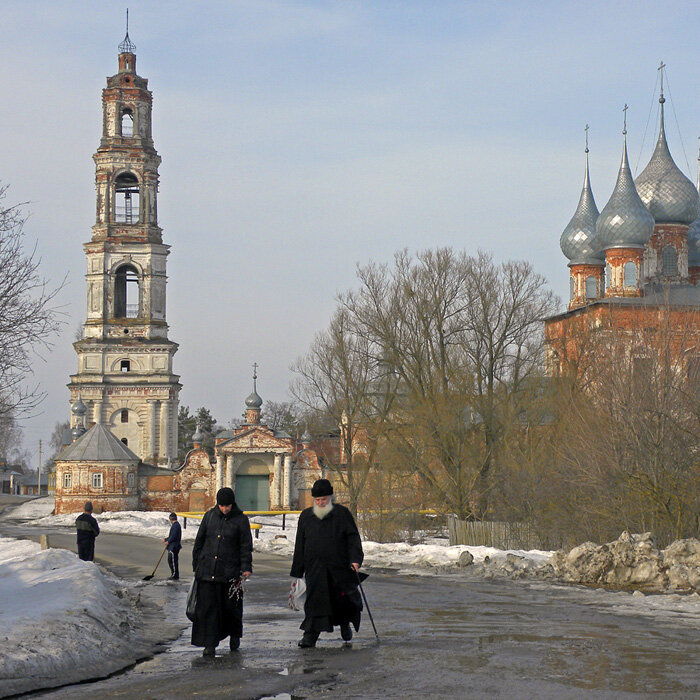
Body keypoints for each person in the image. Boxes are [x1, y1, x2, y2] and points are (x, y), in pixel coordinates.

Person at [290, 478, 364, 648]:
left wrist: (355, 559)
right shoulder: (306, 516)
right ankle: (310, 636)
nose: (321, 503)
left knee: (341, 602)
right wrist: (297, 571)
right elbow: (300, 544)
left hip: (338, 568)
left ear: (330, 498)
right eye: (317, 500)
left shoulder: (342, 514)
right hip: (314, 569)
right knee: (315, 603)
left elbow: (353, 538)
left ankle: (345, 625)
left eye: (324, 499)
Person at [191, 487, 252, 657]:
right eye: (222, 505)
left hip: (230, 574)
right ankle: (210, 644)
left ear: (233, 504)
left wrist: (246, 567)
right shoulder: (209, 516)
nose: (225, 509)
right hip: (208, 572)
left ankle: (234, 635)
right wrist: (197, 565)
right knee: (209, 610)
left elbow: (245, 547)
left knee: (231, 609)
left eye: (228, 506)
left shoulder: (240, 520)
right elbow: (199, 542)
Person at [163, 512, 182, 580]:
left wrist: (168, 541)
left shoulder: (176, 526)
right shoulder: (175, 525)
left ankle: (175, 575)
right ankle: (173, 574)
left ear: (171, 519)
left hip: (174, 547)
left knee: (173, 561)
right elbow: (172, 536)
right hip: (172, 546)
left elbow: (173, 536)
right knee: (170, 560)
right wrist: (166, 539)